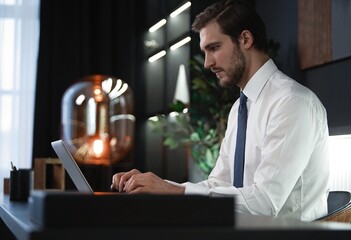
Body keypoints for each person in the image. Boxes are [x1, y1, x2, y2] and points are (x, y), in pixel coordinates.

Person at [111, 0, 330, 221]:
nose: (207, 63)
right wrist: (157, 186)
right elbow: (219, 184)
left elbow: (265, 203)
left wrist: (173, 191)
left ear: (245, 39)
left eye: (214, 48)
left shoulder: (292, 102)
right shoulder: (240, 107)